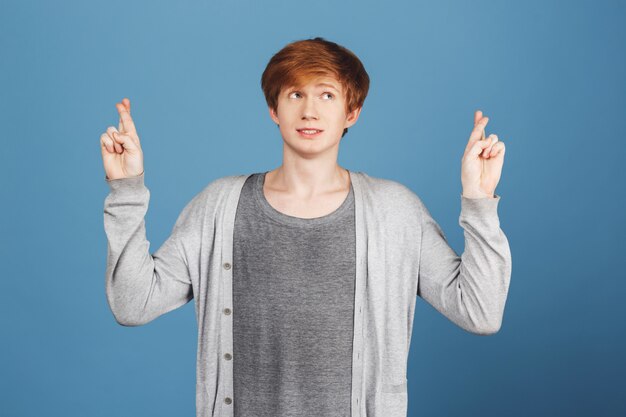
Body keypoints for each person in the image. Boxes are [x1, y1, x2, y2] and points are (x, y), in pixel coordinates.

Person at [101, 37, 511, 417]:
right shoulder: (218, 205)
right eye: (295, 94)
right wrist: (126, 190)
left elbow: (480, 313)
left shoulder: (394, 211)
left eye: (326, 95)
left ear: (352, 112)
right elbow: (134, 304)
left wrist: (478, 202)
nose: (309, 111)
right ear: (274, 109)